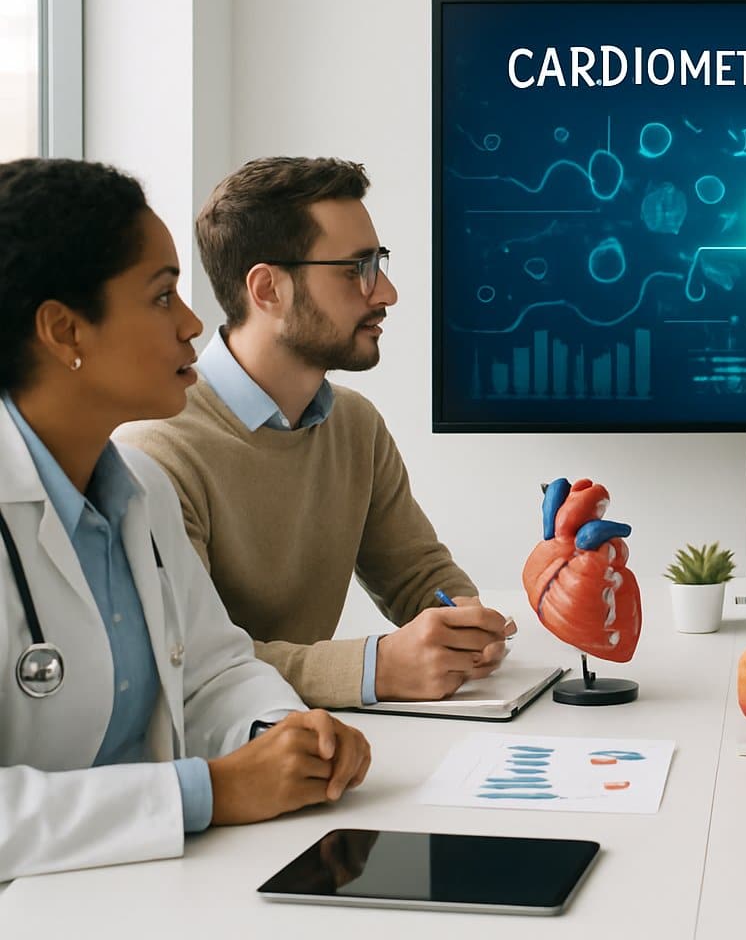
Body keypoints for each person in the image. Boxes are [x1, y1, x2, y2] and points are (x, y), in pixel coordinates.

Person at [0, 158, 370, 881]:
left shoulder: (139, 488)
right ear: (64, 330)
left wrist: (286, 737)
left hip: (148, 887)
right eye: (163, 297)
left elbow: (213, 671)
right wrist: (209, 791)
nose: (195, 324)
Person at [117, 157, 511, 709]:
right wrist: (376, 667)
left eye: (380, 264)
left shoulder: (356, 425)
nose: (387, 293)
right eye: (357, 270)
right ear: (268, 289)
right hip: (224, 766)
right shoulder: (156, 450)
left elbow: (418, 575)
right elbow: (189, 661)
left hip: (325, 745)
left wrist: (464, 623)